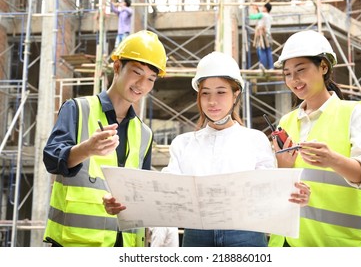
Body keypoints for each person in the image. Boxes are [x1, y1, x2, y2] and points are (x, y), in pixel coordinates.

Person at [103, 51, 311, 247]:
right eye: (205, 94)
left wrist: (292, 192)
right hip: (196, 238)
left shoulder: (255, 140)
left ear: (236, 93)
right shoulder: (183, 144)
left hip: (246, 237)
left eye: (221, 92)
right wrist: (125, 203)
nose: (212, 102)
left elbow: (269, 196)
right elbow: (165, 195)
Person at [42, 30, 167, 247]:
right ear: (117, 67)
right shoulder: (78, 109)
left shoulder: (144, 134)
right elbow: (51, 160)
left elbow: (141, 192)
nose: (142, 84)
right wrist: (86, 150)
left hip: (126, 247)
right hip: (76, 246)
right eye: (137, 72)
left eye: (150, 79)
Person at [268, 30, 361, 247]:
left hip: (336, 245)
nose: (294, 80)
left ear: (323, 67)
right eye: (288, 74)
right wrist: (282, 171)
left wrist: (332, 160)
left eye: (301, 70)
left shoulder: (353, 113)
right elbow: (272, 187)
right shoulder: (286, 121)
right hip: (284, 242)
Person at [248, 2, 273, 70]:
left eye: (263, 7)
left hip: (262, 35)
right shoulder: (269, 16)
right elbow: (260, 18)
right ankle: (271, 67)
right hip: (267, 35)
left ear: (265, 8)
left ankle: (263, 66)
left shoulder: (263, 14)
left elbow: (252, 17)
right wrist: (257, 10)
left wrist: (253, 10)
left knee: (261, 51)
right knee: (268, 51)